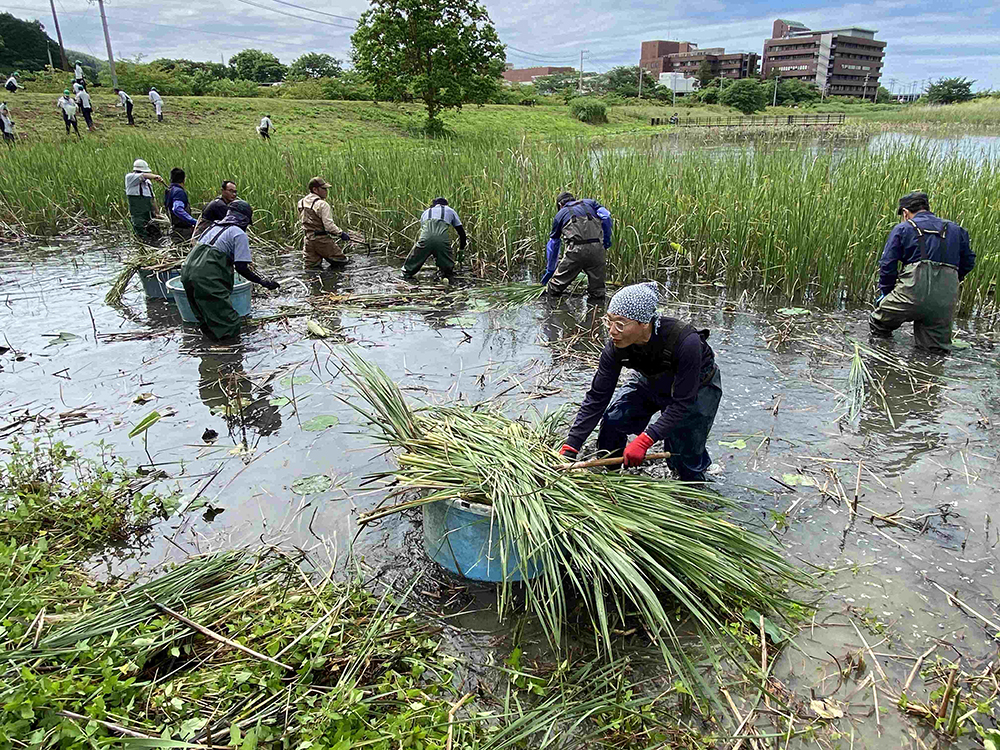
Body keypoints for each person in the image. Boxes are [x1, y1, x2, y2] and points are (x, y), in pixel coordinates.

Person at [557, 283, 722, 482]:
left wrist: (645, 440)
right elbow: (598, 397)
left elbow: (682, 403)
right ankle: (610, 479)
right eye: (608, 321)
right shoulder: (616, 347)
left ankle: (692, 491)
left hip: (697, 387)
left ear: (644, 322)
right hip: (651, 380)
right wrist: (571, 446)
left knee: (685, 458)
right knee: (614, 420)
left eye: (620, 323)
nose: (612, 331)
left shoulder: (687, 342)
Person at [870, 191, 975, 352]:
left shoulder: (903, 228)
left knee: (879, 323)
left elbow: (887, 265)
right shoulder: (956, 229)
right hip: (944, 298)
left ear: (905, 213)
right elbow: (968, 262)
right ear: (926, 208)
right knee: (933, 351)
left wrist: (887, 293)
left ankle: (882, 360)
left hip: (909, 295)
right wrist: (949, 281)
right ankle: (927, 374)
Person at [180, 200, 280, 341]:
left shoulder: (212, 227)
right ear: (244, 220)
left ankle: (211, 354)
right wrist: (262, 282)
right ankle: (231, 357)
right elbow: (241, 267)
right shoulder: (238, 234)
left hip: (187, 271)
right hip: (206, 276)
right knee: (228, 322)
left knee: (206, 319)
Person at [541, 191, 612, 301]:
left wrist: (550, 270)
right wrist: (606, 241)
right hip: (597, 250)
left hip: (575, 252)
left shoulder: (560, 215)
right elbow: (606, 217)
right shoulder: (591, 203)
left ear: (560, 205)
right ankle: (596, 314)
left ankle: (552, 313)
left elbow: (554, 244)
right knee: (598, 292)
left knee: (554, 289)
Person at [402, 197, 467, 284]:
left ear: (434, 205)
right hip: (442, 240)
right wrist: (461, 249)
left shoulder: (425, 212)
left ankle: (405, 281)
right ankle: (447, 283)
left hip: (425, 239)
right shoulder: (450, 210)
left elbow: (428, 234)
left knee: (409, 268)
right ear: (446, 204)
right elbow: (462, 233)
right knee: (447, 271)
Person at [297, 176, 352, 268]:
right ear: (315, 189)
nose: (326, 191)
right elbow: (329, 226)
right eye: (323, 189)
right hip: (322, 240)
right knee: (342, 263)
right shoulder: (322, 204)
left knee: (311, 268)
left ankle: (315, 281)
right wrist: (341, 234)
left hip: (308, 241)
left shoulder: (301, 202)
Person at [125, 158, 165, 242]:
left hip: (150, 215)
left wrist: (157, 213)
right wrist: (156, 177)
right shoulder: (130, 178)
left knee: (156, 236)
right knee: (142, 237)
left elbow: (152, 199)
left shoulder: (148, 183)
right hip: (139, 216)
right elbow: (143, 176)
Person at [163, 168, 197, 244]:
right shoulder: (178, 192)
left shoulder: (169, 190)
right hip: (182, 232)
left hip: (175, 229)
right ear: (184, 179)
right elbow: (177, 209)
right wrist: (194, 221)